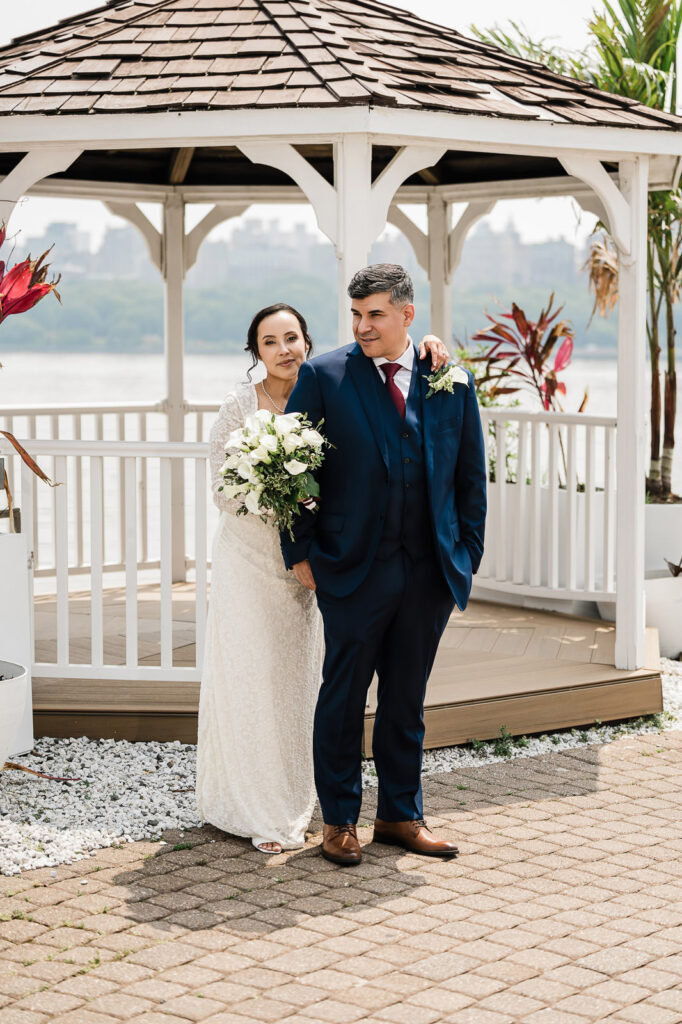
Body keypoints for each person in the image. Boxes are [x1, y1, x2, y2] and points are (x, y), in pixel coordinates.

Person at [196, 301, 449, 854]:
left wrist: (431, 347)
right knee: (255, 676)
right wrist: (275, 499)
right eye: (270, 342)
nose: (285, 350)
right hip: (253, 555)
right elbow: (221, 487)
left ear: (307, 342)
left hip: (322, 564)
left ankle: (310, 798)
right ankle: (256, 803)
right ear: (255, 351)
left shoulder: (330, 383)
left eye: (292, 338)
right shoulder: (240, 405)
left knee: (303, 680)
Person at [281, 266, 487, 866]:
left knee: (406, 699)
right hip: (351, 568)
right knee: (342, 697)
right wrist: (299, 551)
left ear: (406, 314)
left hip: (428, 572)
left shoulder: (448, 378)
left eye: (374, 314)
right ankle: (339, 820)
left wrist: (465, 555)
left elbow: (470, 476)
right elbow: (294, 472)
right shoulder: (324, 375)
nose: (362, 326)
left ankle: (400, 815)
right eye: (355, 314)